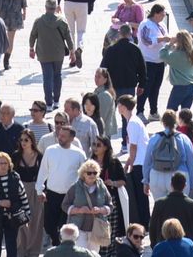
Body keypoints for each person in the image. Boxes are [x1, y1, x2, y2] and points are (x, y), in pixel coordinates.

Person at [38, 124, 86, 245]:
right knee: (49, 225)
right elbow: (43, 171)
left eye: (64, 136)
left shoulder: (79, 154)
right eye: (59, 135)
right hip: (52, 194)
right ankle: (55, 242)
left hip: (69, 196)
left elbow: (84, 175)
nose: (60, 138)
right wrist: (39, 190)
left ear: (71, 138)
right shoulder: (50, 150)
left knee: (66, 226)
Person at [29, 0, 75, 107]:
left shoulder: (39, 21)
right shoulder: (62, 21)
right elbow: (69, 37)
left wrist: (31, 48)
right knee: (57, 75)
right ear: (55, 8)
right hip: (58, 54)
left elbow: (32, 36)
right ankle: (57, 101)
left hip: (43, 54)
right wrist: (72, 51)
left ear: (45, 8)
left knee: (47, 77)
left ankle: (48, 103)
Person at [0, 151, 30, 257]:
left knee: (11, 245)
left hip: (12, 218)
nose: (3, 166)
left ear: (9, 165)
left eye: (5, 163)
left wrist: (27, 215)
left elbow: (23, 197)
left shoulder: (15, 178)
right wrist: (0, 203)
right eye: (1, 163)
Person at [63, 161, 114, 253]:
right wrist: (79, 210)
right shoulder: (75, 187)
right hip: (79, 227)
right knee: (80, 253)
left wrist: (101, 210)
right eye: (89, 173)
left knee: (93, 254)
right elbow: (65, 205)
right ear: (83, 174)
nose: (92, 175)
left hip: (96, 228)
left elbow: (110, 205)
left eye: (94, 173)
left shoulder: (102, 187)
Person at [150, 170, 193, 252]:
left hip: (164, 247)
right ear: (185, 185)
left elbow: (152, 226)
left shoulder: (159, 204)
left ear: (171, 184)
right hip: (185, 248)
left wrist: (154, 246)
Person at [12, 127, 46, 254]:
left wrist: (44, 191)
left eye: (26, 140)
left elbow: (45, 175)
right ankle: (21, 250)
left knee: (35, 222)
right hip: (20, 191)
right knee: (21, 222)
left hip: (36, 190)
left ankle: (33, 252)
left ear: (32, 141)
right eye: (21, 140)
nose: (23, 142)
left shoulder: (40, 157)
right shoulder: (16, 156)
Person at [117, 95, 150, 225]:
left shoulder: (132, 123)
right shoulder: (133, 121)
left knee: (141, 195)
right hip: (139, 161)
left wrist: (129, 163)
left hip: (139, 163)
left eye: (119, 105)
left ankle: (144, 221)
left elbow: (134, 147)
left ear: (124, 107)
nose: (118, 108)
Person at [138, 5, 169, 119]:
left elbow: (165, 40)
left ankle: (153, 111)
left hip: (159, 61)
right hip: (148, 61)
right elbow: (146, 41)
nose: (163, 16)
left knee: (156, 87)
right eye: (162, 14)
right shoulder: (145, 24)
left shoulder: (162, 25)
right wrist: (162, 39)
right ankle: (139, 111)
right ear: (156, 13)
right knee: (145, 87)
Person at [160, 31, 193, 113]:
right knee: (185, 113)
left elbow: (162, 54)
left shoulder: (177, 55)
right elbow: (178, 53)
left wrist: (170, 44)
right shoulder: (192, 52)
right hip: (192, 86)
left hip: (180, 87)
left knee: (170, 111)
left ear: (179, 41)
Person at [88, 68, 119, 142]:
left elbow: (101, 116)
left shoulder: (105, 95)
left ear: (105, 80)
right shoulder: (98, 90)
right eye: (95, 76)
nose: (96, 79)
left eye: (99, 77)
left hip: (102, 131)